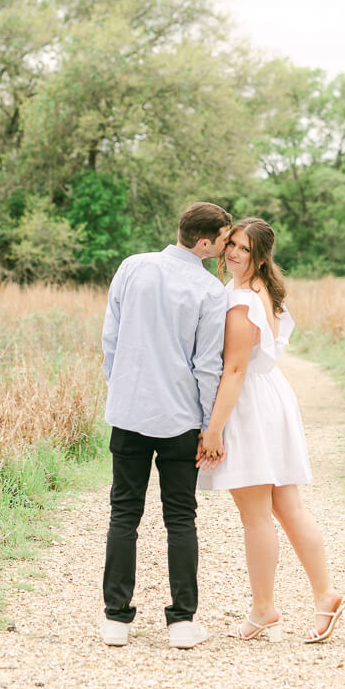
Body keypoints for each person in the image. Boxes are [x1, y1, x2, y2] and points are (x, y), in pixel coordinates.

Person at [197, 217, 345, 644]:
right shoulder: (255, 290)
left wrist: (214, 430)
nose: (232, 253)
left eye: (244, 249)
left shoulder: (242, 299)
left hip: (249, 405)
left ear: (260, 256)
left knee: (256, 516)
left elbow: (233, 369)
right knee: (287, 507)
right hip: (270, 397)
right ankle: (327, 595)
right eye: (231, 244)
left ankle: (265, 609)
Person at [100, 201, 232, 649]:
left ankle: (116, 620)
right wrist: (210, 426)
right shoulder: (210, 290)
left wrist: (120, 388)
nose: (223, 250)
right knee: (181, 519)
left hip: (129, 413)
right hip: (180, 420)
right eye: (222, 241)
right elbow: (207, 365)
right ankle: (181, 622)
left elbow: (111, 338)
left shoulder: (133, 266)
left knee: (124, 514)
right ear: (203, 241)